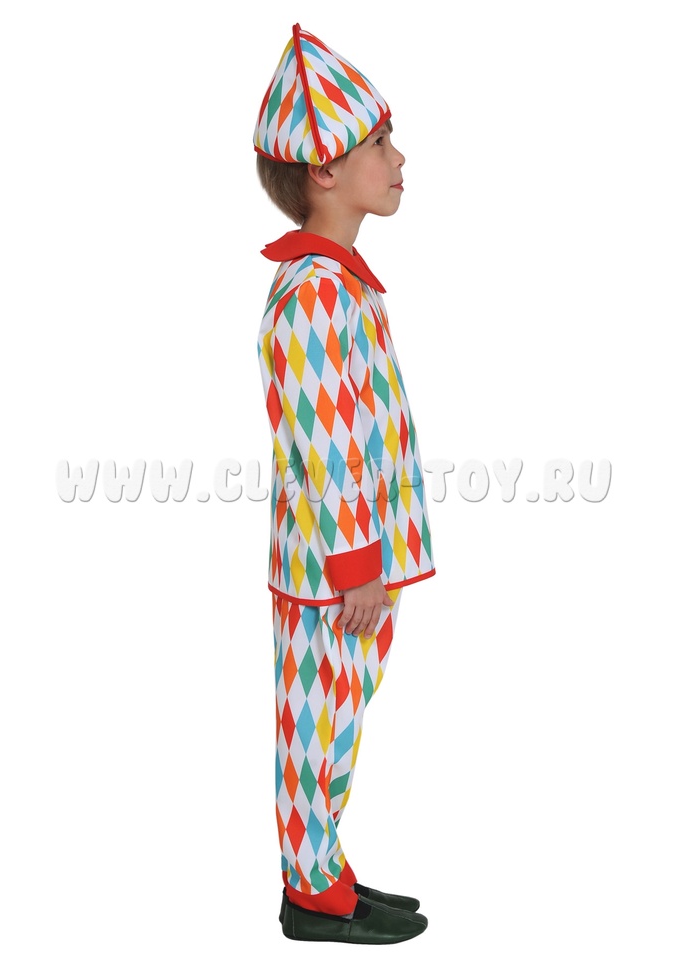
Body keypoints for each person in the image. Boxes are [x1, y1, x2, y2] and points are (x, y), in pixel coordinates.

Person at [254, 24, 436, 945]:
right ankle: (311, 889)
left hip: (355, 567)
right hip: (337, 572)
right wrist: (360, 563)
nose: (399, 159)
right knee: (316, 724)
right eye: (380, 143)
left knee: (335, 721)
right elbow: (324, 446)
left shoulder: (341, 284)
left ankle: (322, 867)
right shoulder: (317, 293)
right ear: (323, 170)